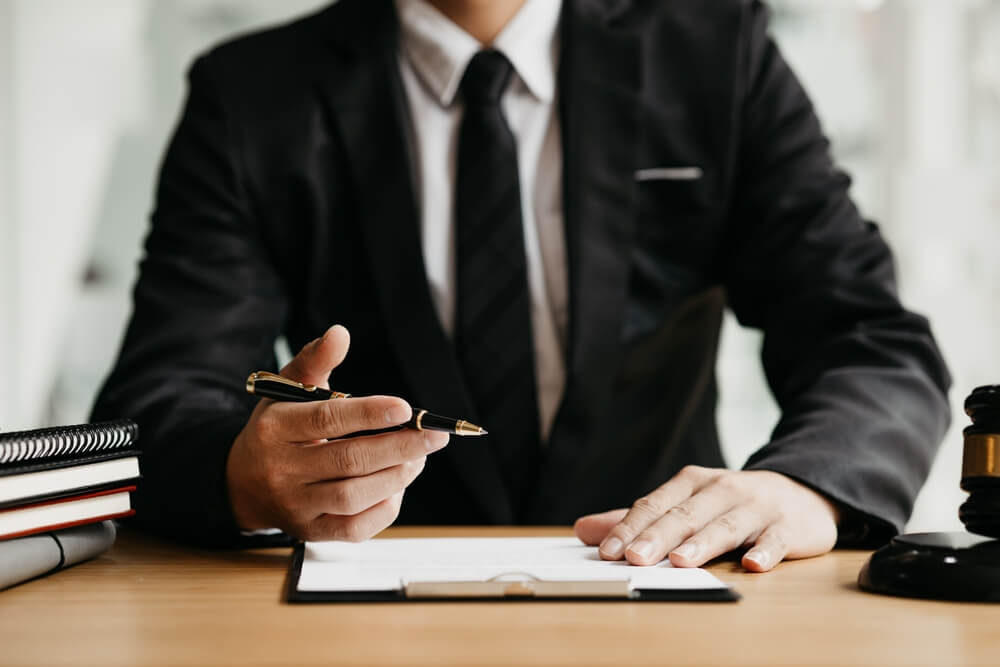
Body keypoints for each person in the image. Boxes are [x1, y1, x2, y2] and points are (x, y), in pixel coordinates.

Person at [92, 0, 951, 572]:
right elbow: (157, 398)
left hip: (667, 597)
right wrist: (242, 472)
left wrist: (806, 486)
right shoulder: (253, 95)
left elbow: (870, 342)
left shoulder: (714, 55)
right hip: (361, 620)